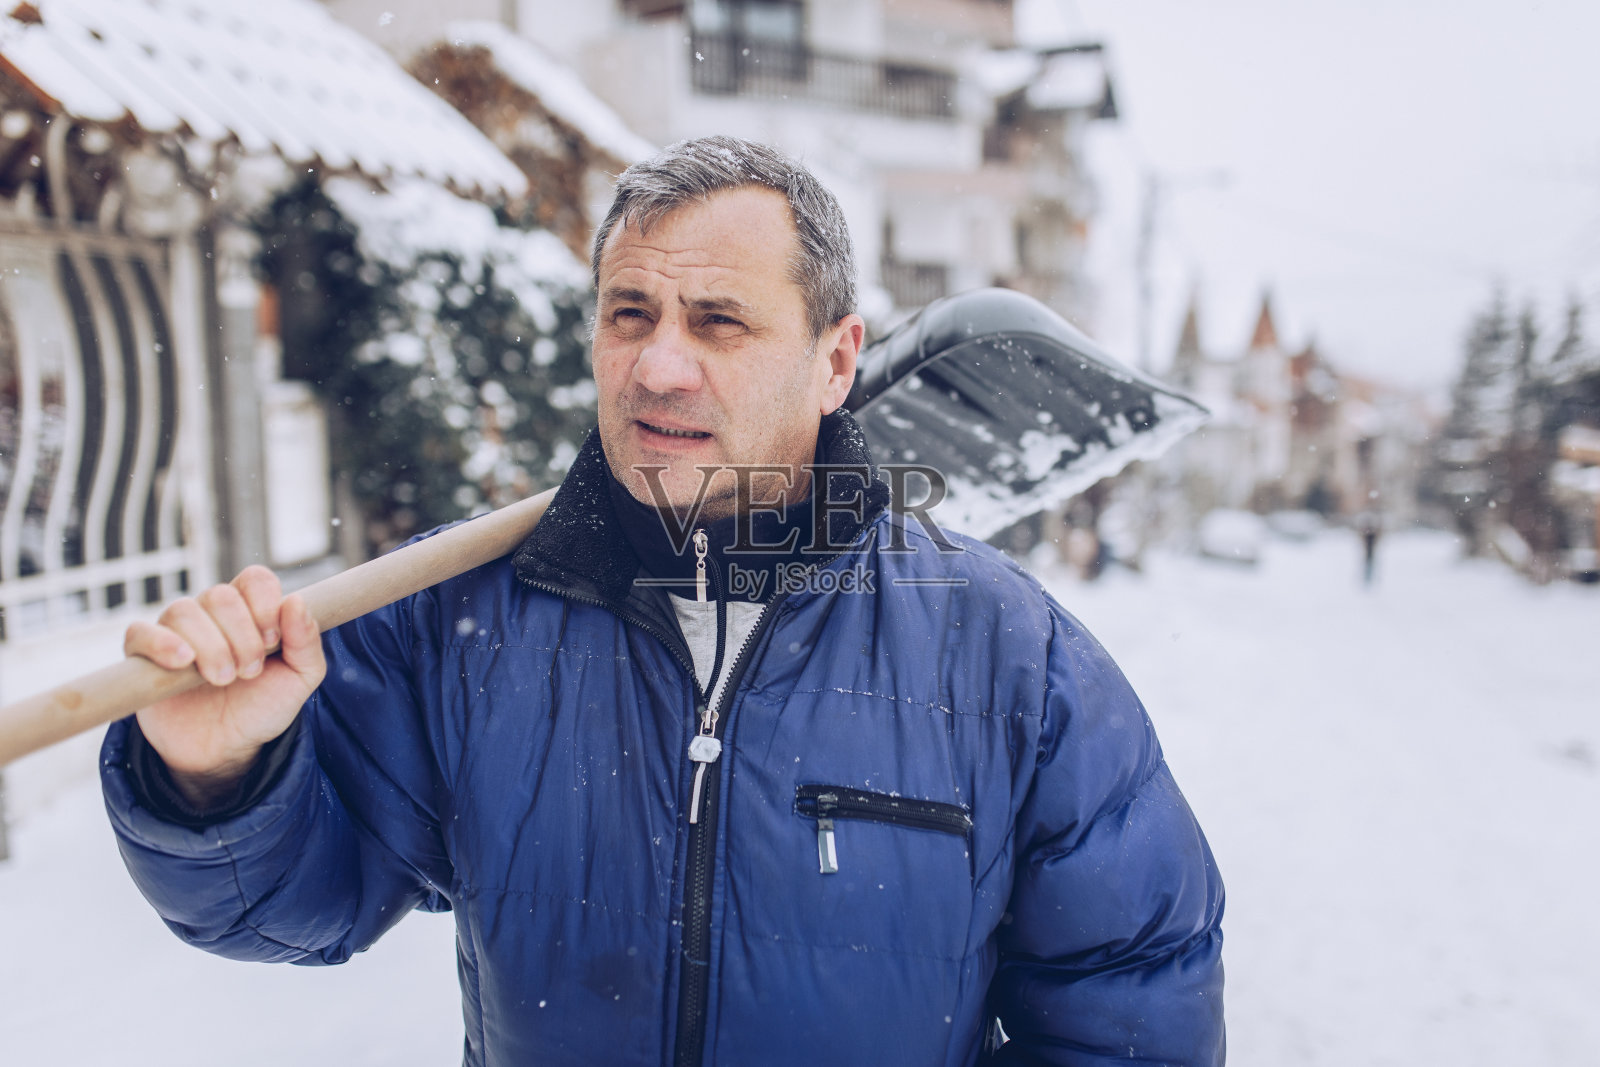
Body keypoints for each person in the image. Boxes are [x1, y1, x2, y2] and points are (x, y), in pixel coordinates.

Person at [103, 137, 1225, 1065]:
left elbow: (1130, 1014)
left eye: (719, 322)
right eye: (629, 312)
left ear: (836, 361)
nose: (658, 366)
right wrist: (213, 773)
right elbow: (291, 902)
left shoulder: (1009, 659)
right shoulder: (452, 617)